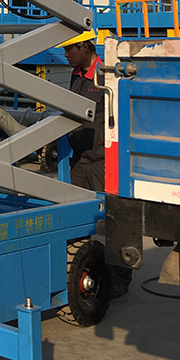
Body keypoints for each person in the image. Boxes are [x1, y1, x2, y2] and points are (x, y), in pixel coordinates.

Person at [59, 30, 132, 297]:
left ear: (84, 47)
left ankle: (120, 279)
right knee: (76, 218)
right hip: (80, 160)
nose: (65, 54)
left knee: (115, 222)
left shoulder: (107, 74)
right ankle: (84, 268)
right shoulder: (76, 75)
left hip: (103, 161)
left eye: (69, 49)